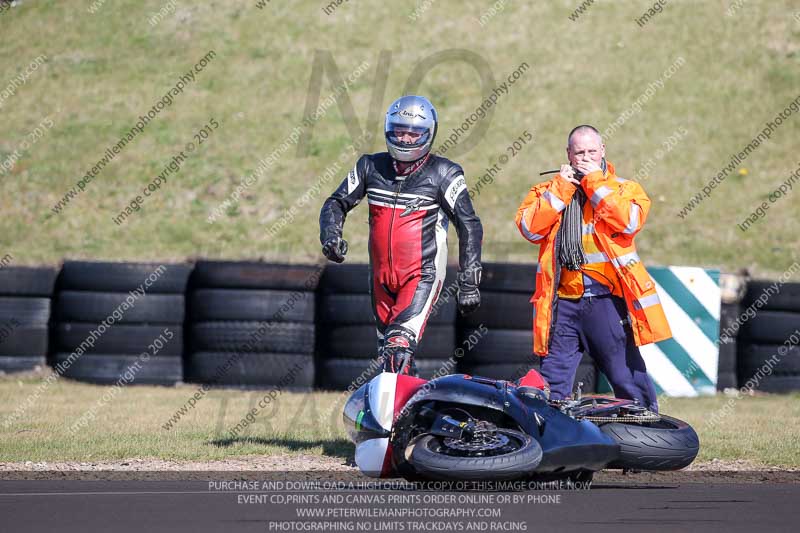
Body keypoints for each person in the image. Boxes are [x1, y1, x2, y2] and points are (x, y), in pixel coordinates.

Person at [320, 95, 483, 376]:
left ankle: (389, 419)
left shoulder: (445, 172)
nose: (405, 139)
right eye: (399, 130)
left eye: (414, 133)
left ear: (429, 134)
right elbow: (335, 203)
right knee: (389, 352)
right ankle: (409, 416)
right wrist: (331, 235)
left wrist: (469, 282)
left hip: (421, 274)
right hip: (381, 277)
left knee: (399, 343)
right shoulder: (369, 166)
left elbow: (470, 225)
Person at [514, 124, 671, 411]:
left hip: (605, 301)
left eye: (591, 151)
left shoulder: (625, 189)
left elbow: (629, 222)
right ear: (568, 155)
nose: (585, 157)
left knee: (625, 373)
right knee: (553, 379)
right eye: (579, 152)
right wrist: (562, 190)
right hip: (563, 303)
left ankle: (648, 426)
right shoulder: (548, 190)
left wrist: (595, 183)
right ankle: (551, 433)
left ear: (602, 152)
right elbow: (530, 228)